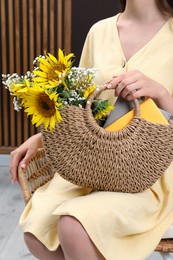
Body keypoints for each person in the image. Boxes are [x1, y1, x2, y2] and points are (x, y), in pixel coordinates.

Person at [10, 0, 173, 259]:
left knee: (73, 226)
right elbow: (85, 110)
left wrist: (161, 93)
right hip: (93, 165)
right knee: (37, 228)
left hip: (153, 174)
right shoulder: (99, 32)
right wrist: (41, 138)